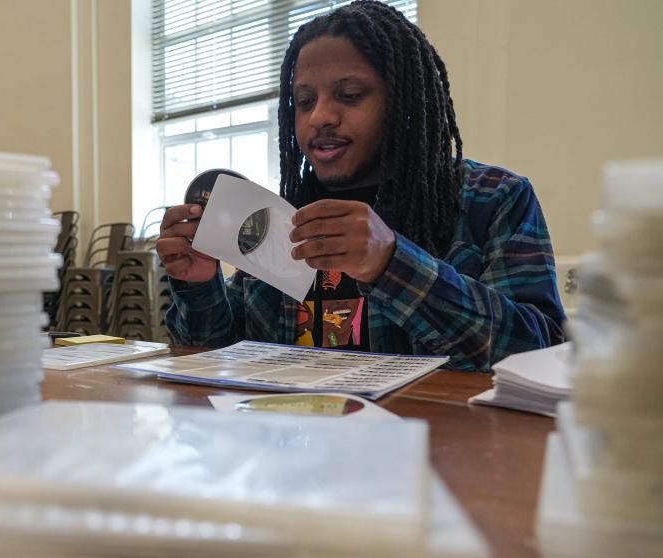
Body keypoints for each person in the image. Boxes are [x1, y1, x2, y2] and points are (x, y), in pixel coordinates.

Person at [156, 0, 565, 372]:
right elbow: (222, 361)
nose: (319, 117)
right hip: (294, 444)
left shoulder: (493, 198)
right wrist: (199, 286)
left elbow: (538, 354)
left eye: (349, 95)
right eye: (303, 101)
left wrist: (391, 263)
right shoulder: (278, 215)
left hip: (432, 447)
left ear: (402, 102)